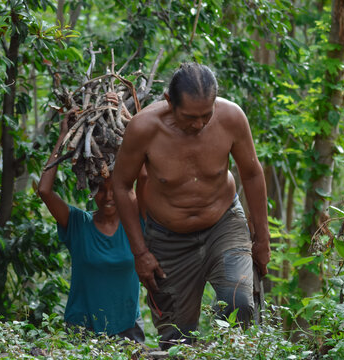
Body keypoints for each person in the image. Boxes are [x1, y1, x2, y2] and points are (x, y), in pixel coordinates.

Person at [112, 62, 271, 349]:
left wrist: (262, 236)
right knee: (176, 336)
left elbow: (251, 172)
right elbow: (122, 186)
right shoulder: (144, 129)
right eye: (189, 117)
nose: (198, 124)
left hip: (223, 223)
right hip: (167, 237)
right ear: (169, 101)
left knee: (239, 303)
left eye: (205, 115)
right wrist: (140, 252)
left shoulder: (231, 118)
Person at [38, 116, 145, 343]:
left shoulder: (135, 223)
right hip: (82, 331)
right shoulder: (78, 224)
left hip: (127, 328)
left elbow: (144, 175)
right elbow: (45, 191)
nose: (107, 197)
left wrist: (129, 125)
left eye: (114, 189)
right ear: (90, 189)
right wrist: (63, 136)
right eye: (100, 189)